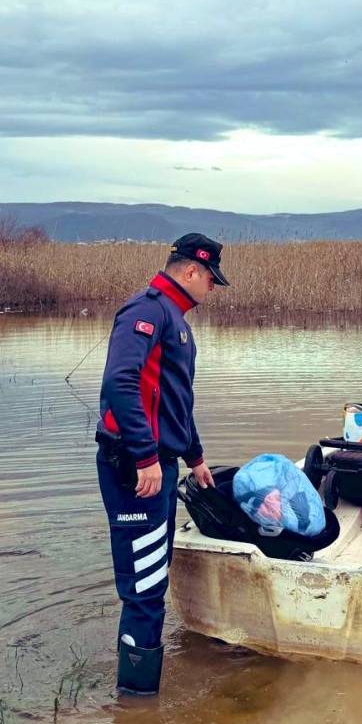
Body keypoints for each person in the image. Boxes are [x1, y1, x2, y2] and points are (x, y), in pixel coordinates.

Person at [96, 233, 227, 695]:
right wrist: (146, 457)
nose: (212, 289)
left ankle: (139, 700)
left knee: (153, 577)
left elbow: (174, 402)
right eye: (211, 280)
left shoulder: (175, 318)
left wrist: (195, 457)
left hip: (161, 465)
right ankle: (135, 711)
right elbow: (119, 383)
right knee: (145, 589)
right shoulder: (147, 312)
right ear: (192, 270)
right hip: (137, 470)